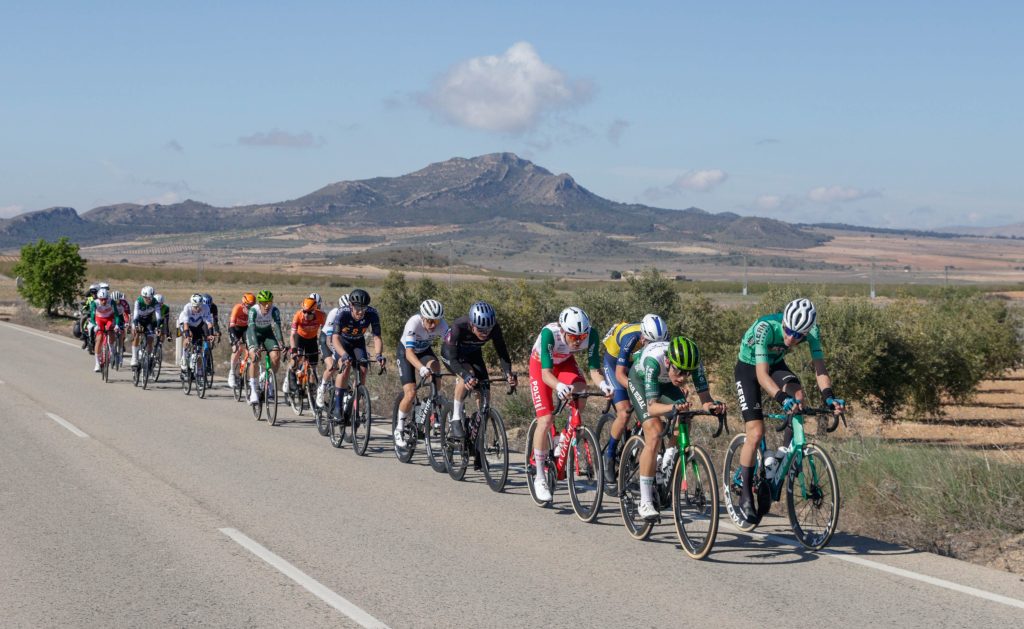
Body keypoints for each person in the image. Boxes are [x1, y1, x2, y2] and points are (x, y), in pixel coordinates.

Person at [733, 298, 845, 525]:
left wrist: (829, 397)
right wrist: (781, 398)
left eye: (798, 335)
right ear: (783, 321)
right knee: (756, 432)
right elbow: (762, 375)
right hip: (749, 367)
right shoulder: (765, 328)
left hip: (775, 364)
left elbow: (820, 368)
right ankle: (745, 494)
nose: (791, 338)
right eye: (788, 331)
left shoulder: (812, 331)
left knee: (799, 396)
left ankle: (782, 455)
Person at [627, 336, 725, 520]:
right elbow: (652, 408)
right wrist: (672, 407)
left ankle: (668, 459)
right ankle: (645, 502)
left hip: (665, 384)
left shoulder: (694, 363)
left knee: (685, 415)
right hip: (640, 382)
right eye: (679, 372)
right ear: (668, 362)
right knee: (654, 433)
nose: (683, 378)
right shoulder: (653, 362)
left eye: (687, 374)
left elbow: (705, 399)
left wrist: (713, 406)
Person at [528, 306, 611, 502]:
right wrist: (558, 386)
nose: (578, 341)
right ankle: (539, 476)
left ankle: (565, 435)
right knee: (545, 419)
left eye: (582, 337)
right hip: (541, 366)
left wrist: (603, 384)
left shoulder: (591, 335)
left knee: (581, 390)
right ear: (563, 330)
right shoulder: (550, 334)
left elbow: (594, 370)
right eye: (573, 337)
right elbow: (546, 374)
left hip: (565, 362)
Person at [600, 314, 670, 484]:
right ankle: (609, 455)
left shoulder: (663, 339)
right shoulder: (631, 338)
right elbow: (620, 374)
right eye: (650, 343)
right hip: (615, 363)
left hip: (640, 363)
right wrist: (638, 391)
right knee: (624, 412)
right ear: (643, 337)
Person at [441, 301, 517, 440]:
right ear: (472, 324)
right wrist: (465, 376)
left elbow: (502, 352)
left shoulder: (494, 328)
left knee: (485, 390)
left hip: (473, 353)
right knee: (468, 374)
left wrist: (508, 372)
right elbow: (453, 359)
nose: (485, 333)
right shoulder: (458, 326)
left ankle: (478, 432)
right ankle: (456, 419)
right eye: (481, 329)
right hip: (452, 355)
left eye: (488, 329)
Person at [394, 299, 449, 447]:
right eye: (430, 321)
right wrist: (421, 368)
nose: (433, 325)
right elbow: (409, 353)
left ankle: (431, 402)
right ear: (422, 317)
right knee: (411, 393)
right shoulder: (413, 323)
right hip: (406, 353)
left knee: (436, 368)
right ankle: (399, 429)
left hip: (424, 351)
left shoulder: (442, 325)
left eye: (436, 322)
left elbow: (452, 346)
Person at [329, 289, 384, 420]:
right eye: (357, 308)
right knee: (346, 366)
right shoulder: (342, 313)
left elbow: (377, 337)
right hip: (342, 342)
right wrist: (343, 354)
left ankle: (354, 404)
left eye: (363, 308)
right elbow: (334, 338)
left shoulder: (372, 313)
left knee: (363, 370)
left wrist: (379, 355)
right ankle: (337, 407)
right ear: (351, 305)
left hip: (358, 343)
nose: (360, 312)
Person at [245, 290, 285, 404]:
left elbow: (277, 327)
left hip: (267, 333)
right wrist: (256, 346)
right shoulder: (253, 311)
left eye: (269, 302)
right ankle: (253, 389)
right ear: (259, 303)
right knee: (255, 357)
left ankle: (268, 379)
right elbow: (252, 328)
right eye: (264, 303)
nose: (267, 306)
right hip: (254, 334)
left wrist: (281, 342)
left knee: (276, 356)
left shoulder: (274, 310)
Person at [284, 297, 326, 395]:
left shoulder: (321, 316)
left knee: (313, 365)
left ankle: (310, 387)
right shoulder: (298, 315)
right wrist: (294, 350)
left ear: (315, 311)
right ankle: (291, 376)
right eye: (304, 311)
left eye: (309, 312)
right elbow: (292, 335)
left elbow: (325, 332)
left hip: (312, 339)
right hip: (299, 338)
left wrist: (324, 346)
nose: (306, 315)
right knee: (296, 359)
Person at [316, 294, 349, 407]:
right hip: (326, 338)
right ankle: (322, 388)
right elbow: (329, 339)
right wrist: (336, 353)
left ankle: (343, 391)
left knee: (345, 364)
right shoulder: (334, 313)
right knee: (332, 366)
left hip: (340, 338)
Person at [176, 293, 215, 374]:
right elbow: (186, 325)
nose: (197, 309)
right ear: (191, 305)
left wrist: (211, 334)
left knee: (199, 348)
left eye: (199, 306)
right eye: (195, 307)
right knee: (189, 336)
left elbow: (209, 322)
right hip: (186, 324)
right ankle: (184, 357)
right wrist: (187, 336)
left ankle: (199, 371)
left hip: (197, 324)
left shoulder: (206, 307)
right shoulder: (187, 308)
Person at [89, 288, 122, 371]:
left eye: (105, 299)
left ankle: (112, 350)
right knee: (99, 339)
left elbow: (116, 315)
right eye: (101, 299)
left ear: (108, 298)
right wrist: (95, 325)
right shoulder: (95, 303)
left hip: (109, 319)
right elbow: (92, 317)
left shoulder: (111, 302)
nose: (104, 301)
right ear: (98, 298)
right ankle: (97, 363)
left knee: (111, 332)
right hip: (99, 319)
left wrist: (117, 325)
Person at [227, 293, 256, 389]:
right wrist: (235, 340)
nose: (250, 309)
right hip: (235, 328)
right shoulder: (237, 308)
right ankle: (232, 372)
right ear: (243, 304)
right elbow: (231, 326)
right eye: (248, 306)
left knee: (250, 349)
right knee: (237, 349)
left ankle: (246, 371)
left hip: (246, 329)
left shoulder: (254, 311)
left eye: (252, 306)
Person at [130, 285, 161, 369]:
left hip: (148, 321)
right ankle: (134, 358)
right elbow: (135, 315)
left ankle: (148, 357)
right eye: (146, 298)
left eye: (150, 298)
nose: (148, 300)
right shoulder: (138, 301)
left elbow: (158, 316)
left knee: (150, 339)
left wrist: (158, 327)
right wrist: (136, 325)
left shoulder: (155, 302)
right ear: (143, 296)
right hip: (138, 320)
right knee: (136, 335)